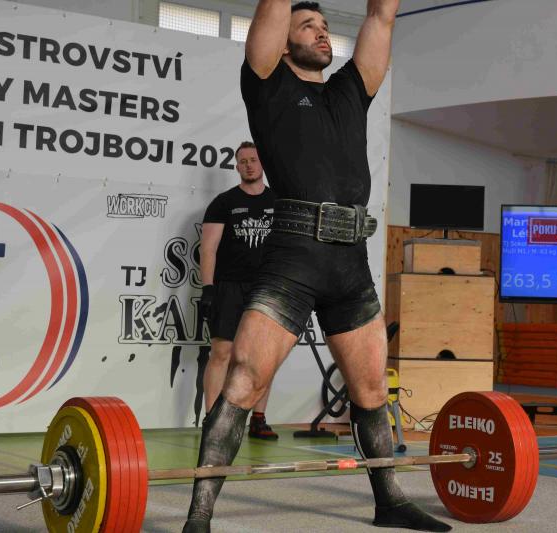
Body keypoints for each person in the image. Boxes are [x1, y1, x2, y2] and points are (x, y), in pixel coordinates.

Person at [184, 2, 450, 531]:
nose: (322, 34)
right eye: (308, 26)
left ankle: (389, 502)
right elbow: (269, 20)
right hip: (293, 256)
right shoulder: (267, 84)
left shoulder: (350, 89)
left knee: (371, 392)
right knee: (244, 381)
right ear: (283, 42)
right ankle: (199, 516)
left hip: (351, 262)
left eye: (326, 28)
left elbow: (381, 17)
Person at [199, 141, 278, 440]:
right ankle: (212, 418)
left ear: (262, 164)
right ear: (237, 166)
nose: (248, 165)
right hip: (230, 286)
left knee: (263, 357)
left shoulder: (278, 202)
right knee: (222, 352)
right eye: (243, 161)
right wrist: (208, 288)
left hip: (266, 287)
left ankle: (258, 418)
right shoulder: (223, 202)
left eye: (253, 160)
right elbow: (208, 249)